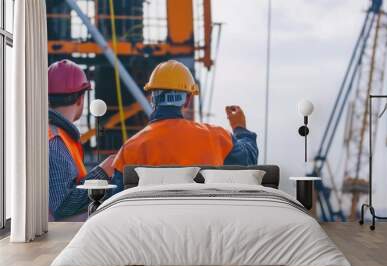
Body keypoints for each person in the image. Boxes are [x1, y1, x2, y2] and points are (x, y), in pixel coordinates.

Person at [111, 60, 258, 188]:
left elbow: (115, 199)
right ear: (187, 100)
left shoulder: (130, 148)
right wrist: (240, 128)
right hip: (206, 218)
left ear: (152, 98)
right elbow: (248, 160)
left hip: (153, 219)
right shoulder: (217, 136)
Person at [48, 59, 115, 221]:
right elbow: (62, 206)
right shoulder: (55, 141)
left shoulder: (56, 134)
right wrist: (103, 172)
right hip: (60, 236)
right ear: (80, 99)